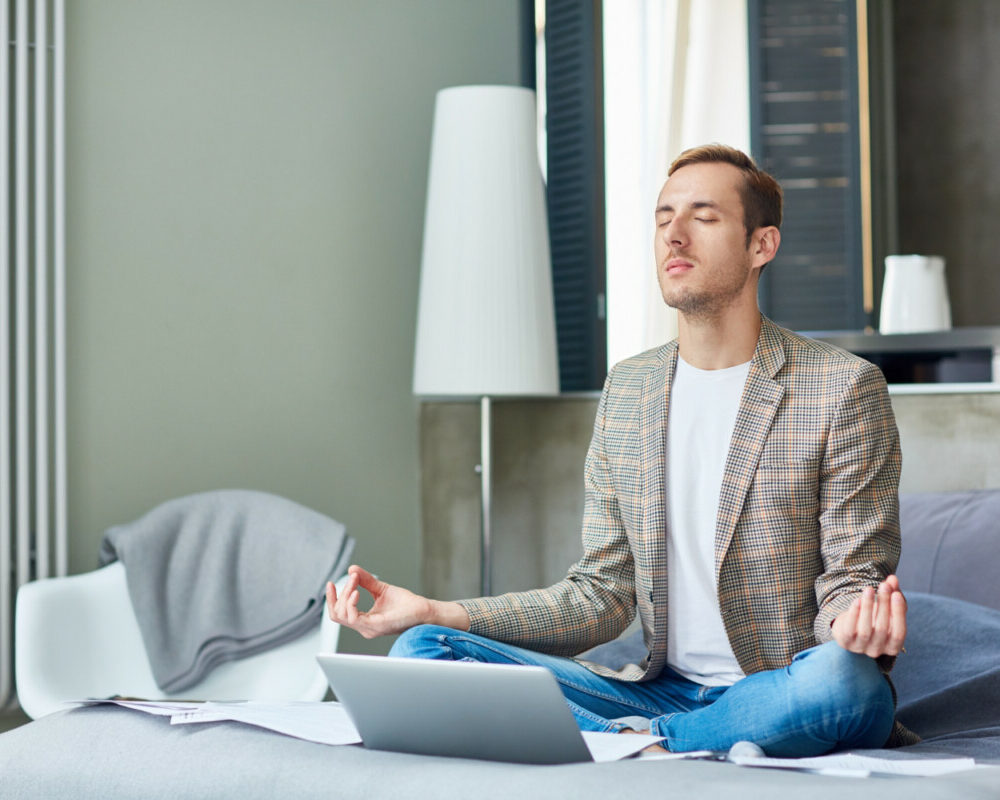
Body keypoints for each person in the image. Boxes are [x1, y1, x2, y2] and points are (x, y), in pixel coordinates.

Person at [326, 144, 915, 754]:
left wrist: (854, 625)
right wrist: (436, 609)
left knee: (849, 684)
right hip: (657, 691)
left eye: (703, 217)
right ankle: (650, 739)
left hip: (779, 685)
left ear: (761, 245)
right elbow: (601, 596)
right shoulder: (629, 389)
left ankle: (629, 745)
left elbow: (851, 579)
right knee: (423, 648)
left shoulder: (842, 386)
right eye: (664, 219)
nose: (675, 236)